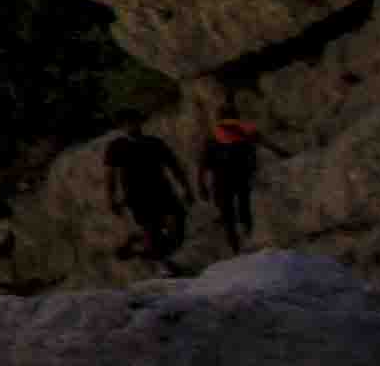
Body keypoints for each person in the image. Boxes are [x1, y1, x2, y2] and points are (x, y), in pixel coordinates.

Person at [103, 126, 194, 268]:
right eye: (126, 122)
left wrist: (186, 188)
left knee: (178, 230)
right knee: (154, 234)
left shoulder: (154, 142)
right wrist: (111, 199)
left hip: (163, 192)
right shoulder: (117, 146)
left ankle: (138, 245)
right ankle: (165, 265)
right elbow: (110, 175)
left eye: (134, 120)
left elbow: (173, 165)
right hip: (138, 198)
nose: (131, 125)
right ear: (121, 126)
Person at [200, 102, 265, 257]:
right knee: (229, 216)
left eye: (231, 117)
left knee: (243, 211)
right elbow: (202, 164)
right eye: (226, 117)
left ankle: (246, 242)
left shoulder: (244, 135)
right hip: (222, 182)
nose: (229, 120)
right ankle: (237, 250)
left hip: (239, 179)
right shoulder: (213, 139)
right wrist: (201, 185)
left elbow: (260, 145)